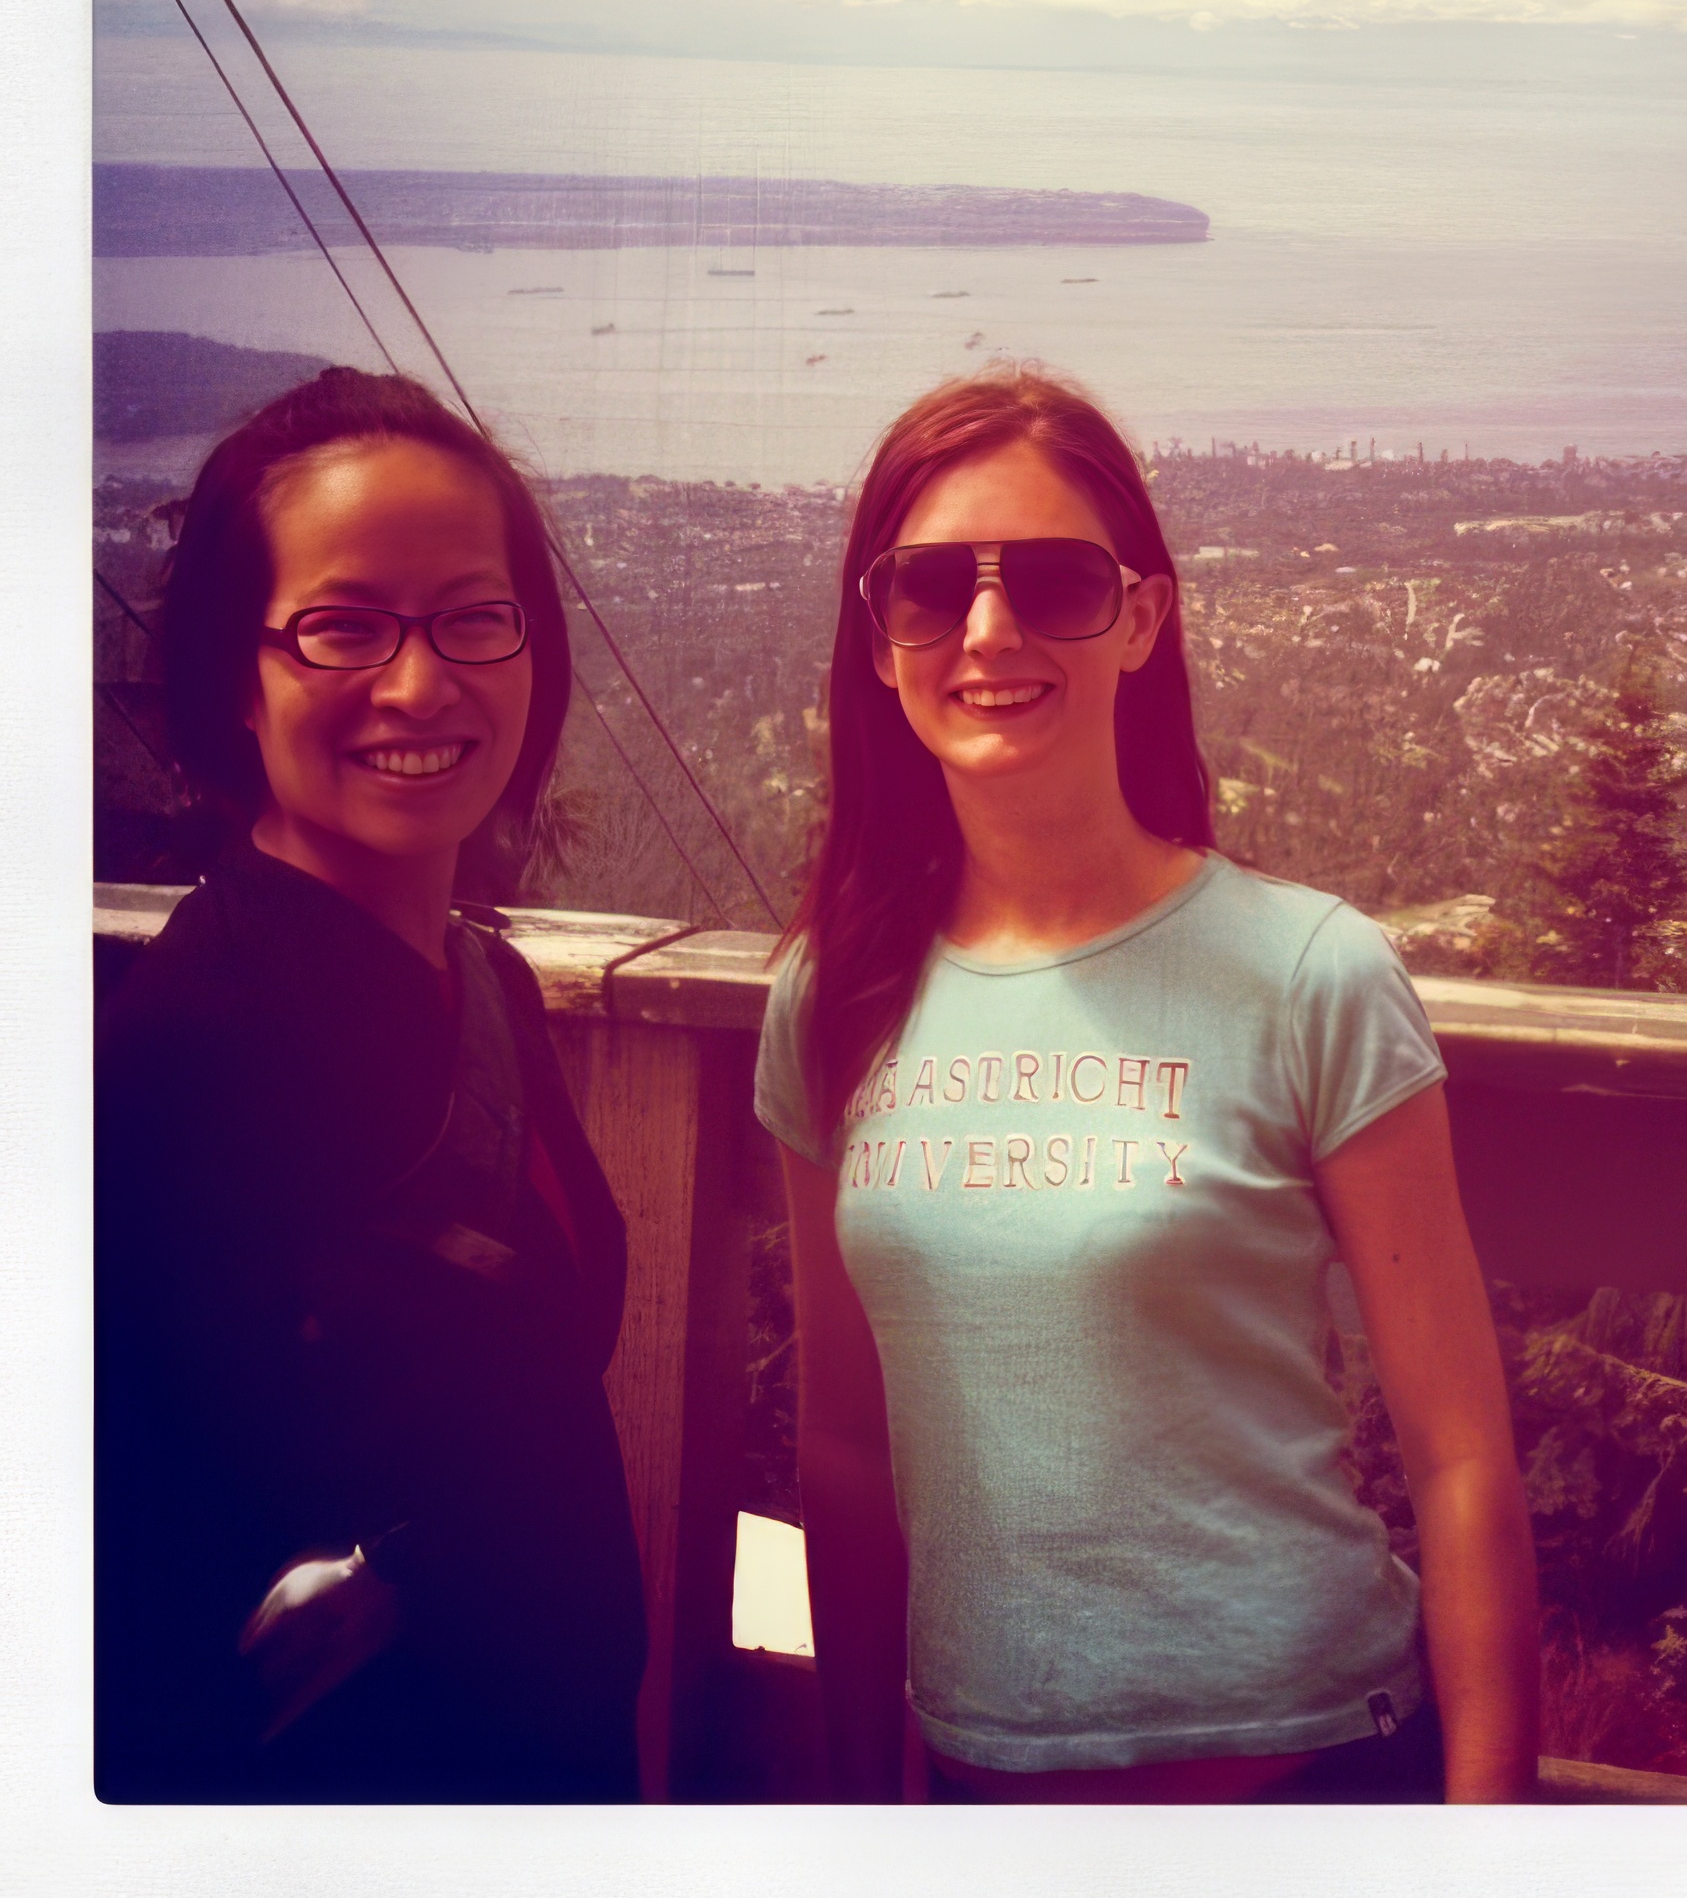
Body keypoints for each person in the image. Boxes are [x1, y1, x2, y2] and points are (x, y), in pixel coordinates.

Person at [756, 370, 1540, 1804]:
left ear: (1141, 617)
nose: (987, 632)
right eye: (931, 590)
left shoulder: (1311, 973)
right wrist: (864, 1810)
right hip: (992, 1789)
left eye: (1053, 581)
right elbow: (847, 1448)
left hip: (1307, 1775)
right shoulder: (835, 996)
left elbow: (1460, 1458)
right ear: (880, 639)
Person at [95, 368, 647, 1801]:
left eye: (474, 615)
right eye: (343, 625)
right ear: (236, 670)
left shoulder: (488, 988)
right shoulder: (192, 1054)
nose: (420, 683)